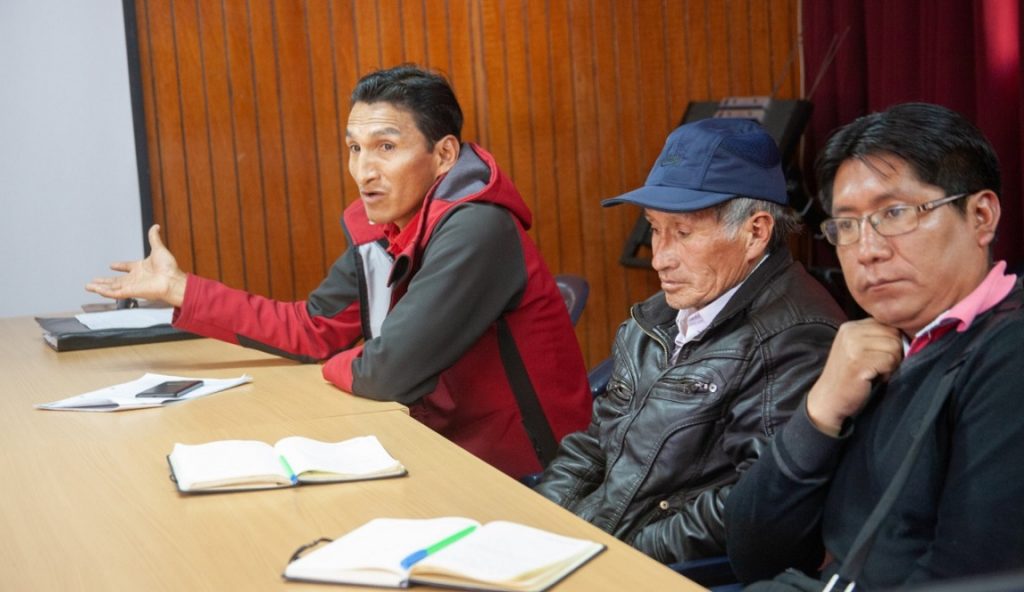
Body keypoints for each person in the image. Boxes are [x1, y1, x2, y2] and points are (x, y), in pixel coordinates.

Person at [86, 64, 592, 479]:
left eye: (386, 147)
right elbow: (314, 327)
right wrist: (180, 289)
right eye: (354, 147)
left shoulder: (477, 227)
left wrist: (342, 361)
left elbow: (385, 373)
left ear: (443, 155)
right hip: (438, 444)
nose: (364, 170)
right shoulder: (387, 228)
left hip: (533, 473)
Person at [726, 103, 1024, 589]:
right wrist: (819, 412)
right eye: (846, 225)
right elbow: (754, 554)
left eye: (895, 213)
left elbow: (974, 578)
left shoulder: (1008, 354)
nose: (867, 249)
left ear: (981, 216)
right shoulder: (867, 349)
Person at [533, 118, 844, 564]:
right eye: (654, 228)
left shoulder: (794, 339)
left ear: (755, 232)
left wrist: (611, 557)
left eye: (682, 233)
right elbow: (594, 445)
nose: (659, 259)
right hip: (591, 546)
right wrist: (537, 526)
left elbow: (748, 506)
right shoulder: (660, 315)